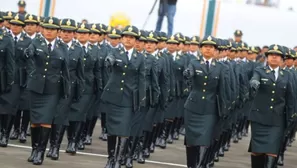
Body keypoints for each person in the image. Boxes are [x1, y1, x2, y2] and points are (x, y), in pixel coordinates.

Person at [24, 16, 70, 165]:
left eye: (52, 29)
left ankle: (40, 153)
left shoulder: (62, 47)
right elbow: (29, 54)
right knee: (35, 122)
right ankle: (34, 149)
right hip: (36, 87)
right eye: (46, 28)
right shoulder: (36, 42)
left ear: (58, 31)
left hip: (52, 89)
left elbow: (66, 71)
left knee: (46, 121)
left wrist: (66, 91)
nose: (49, 32)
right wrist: (29, 59)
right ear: (42, 29)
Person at [101, 25, 146, 168]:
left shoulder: (140, 58)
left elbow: (142, 80)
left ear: (136, 41)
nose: (128, 39)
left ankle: (118, 160)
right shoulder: (114, 52)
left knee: (124, 130)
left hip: (128, 99)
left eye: (131, 37)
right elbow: (109, 60)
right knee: (112, 129)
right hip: (113, 97)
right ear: (122, 38)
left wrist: (140, 99)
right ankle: (110, 159)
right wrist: (109, 61)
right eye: (126, 37)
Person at [183, 35, 230, 168]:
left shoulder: (221, 67)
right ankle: (191, 165)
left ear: (215, 50)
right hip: (193, 107)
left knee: (205, 140)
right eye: (205, 47)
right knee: (191, 140)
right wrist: (187, 74)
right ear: (201, 49)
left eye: (211, 47)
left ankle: (200, 165)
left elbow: (223, 90)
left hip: (210, 108)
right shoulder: (194, 63)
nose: (208, 49)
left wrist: (224, 108)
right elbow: (189, 73)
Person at [249, 44, 295, 168]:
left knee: (272, 151)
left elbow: (291, 98)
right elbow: (255, 78)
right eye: (271, 55)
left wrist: (292, 116)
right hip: (259, 117)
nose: (274, 57)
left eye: (277, 55)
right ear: (267, 57)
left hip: (277, 119)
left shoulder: (287, 75)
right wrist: (254, 83)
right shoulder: (260, 71)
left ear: (282, 59)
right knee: (257, 151)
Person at [8, 14, 32, 144]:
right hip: (9, 77)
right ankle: (15, 129)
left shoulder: (28, 41)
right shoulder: (6, 39)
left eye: (18, 25)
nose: (15, 27)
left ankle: (23, 130)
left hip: (23, 76)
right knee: (14, 105)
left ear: (22, 27)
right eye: (13, 24)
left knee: (26, 105)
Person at [0, 14, 16, 148]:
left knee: (4, 109)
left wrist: (10, 81)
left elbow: (10, 63)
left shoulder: (6, 39)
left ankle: (4, 134)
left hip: (2, 78)